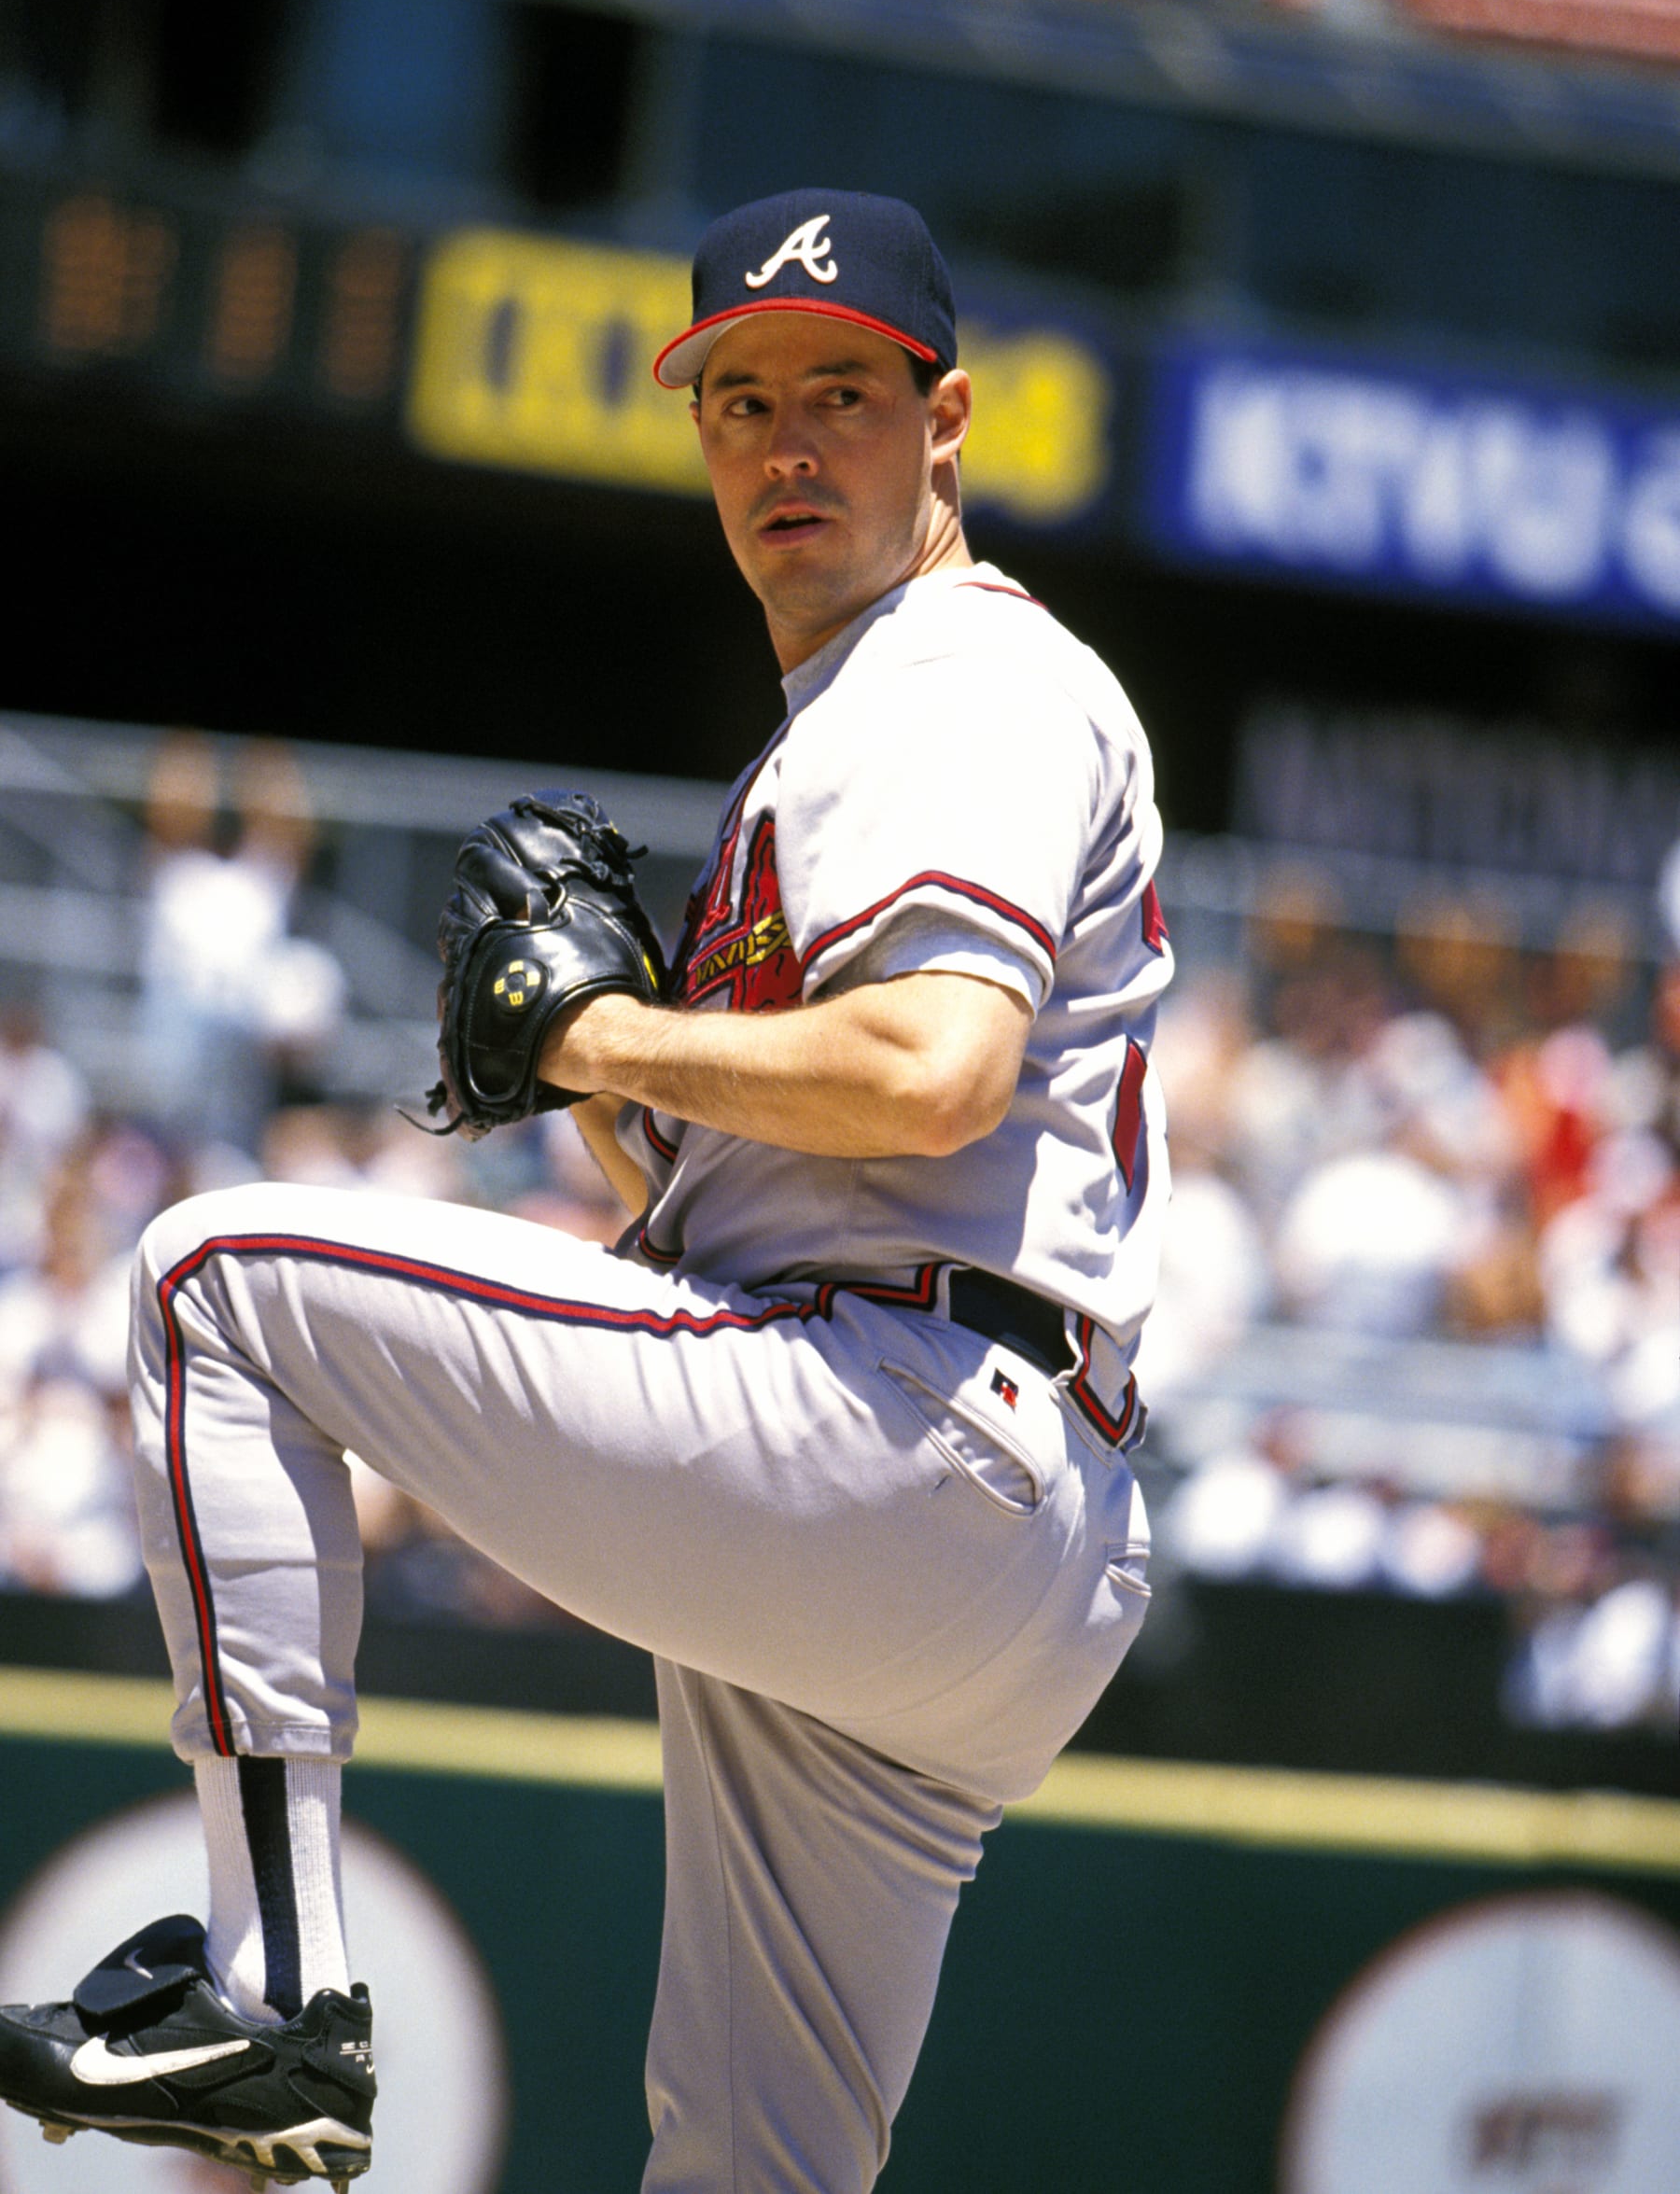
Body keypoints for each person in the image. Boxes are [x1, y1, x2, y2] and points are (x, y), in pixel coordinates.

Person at [0, 191, 1172, 2194]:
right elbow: (849, 1135)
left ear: (947, 418)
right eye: (739, 400)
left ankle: (275, 1995)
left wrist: (597, 1040)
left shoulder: (957, 677)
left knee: (216, 1278)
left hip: (901, 1429)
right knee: (749, 2164)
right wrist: (631, 1120)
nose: (786, 445)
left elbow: (932, 1067)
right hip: (985, 1518)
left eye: (841, 394)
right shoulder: (863, 713)